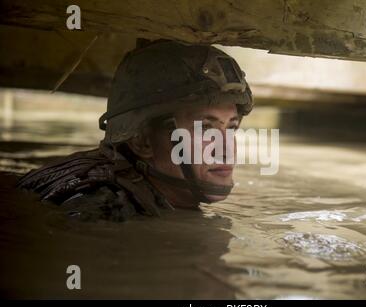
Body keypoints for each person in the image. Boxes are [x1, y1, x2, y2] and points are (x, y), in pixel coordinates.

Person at [17, 40, 253, 221]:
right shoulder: (103, 211)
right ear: (142, 142)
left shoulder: (140, 194)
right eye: (205, 128)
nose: (226, 150)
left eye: (231, 128)